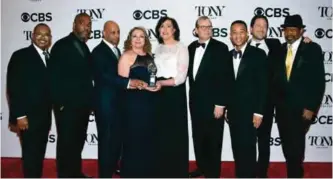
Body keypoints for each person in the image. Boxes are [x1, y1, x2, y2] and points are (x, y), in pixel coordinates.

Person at [274, 14, 325, 178]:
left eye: (293, 30)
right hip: (281, 110)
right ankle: (295, 172)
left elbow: (318, 82)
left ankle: (295, 175)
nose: (289, 33)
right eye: (287, 29)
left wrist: (311, 108)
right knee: (288, 148)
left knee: (296, 149)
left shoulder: (312, 49)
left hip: (301, 110)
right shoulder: (279, 49)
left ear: (301, 31)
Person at [48, 13, 93, 177]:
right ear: (74, 25)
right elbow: (53, 77)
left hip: (82, 107)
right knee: (66, 144)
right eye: (83, 24)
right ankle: (65, 175)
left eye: (89, 25)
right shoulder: (61, 46)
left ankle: (75, 173)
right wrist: (60, 104)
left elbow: (87, 79)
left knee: (77, 143)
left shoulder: (85, 47)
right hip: (66, 107)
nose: (86, 28)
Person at [188, 16, 231, 178]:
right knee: (198, 137)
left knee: (213, 139)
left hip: (214, 104)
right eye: (203, 26)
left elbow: (225, 78)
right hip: (195, 103)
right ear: (196, 29)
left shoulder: (221, 48)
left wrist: (221, 103)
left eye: (209, 26)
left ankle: (213, 173)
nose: (206, 29)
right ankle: (202, 167)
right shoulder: (191, 47)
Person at [6, 23, 52, 177]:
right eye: (39, 34)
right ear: (33, 36)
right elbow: (14, 87)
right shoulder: (21, 56)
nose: (43, 38)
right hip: (27, 118)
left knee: (38, 155)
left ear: (50, 38)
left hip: (44, 118)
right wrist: (20, 115)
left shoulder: (49, 57)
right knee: (31, 157)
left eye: (46, 35)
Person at [117, 26, 161, 178]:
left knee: (147, 140)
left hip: (150, 103)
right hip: (134, 105)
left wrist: (154, 87)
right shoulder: (126, 56)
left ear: (145, 39)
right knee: (134, 140)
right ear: (130, 39)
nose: (137, 39)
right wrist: (140, 85)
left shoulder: (149, 55)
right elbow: (121, 82)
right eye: (134, 36)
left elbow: (152, 78)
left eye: (141, 36)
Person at [227, 20, 267, 178]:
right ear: (230, 35)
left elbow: (263, 85)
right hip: (234, 113)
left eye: (241, 31)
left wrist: (259, 112)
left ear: (247, 34)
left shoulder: (258, 54)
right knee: (237, 148)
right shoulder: (228, 55)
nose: (237, 35)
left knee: (249, 149)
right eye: (234, 32)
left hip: (251, 112)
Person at [153, 16, 189, 178]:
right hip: (157, 94)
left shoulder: (181, 47)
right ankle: (161, 171)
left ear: (174, 30)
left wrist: (162, 84)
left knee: (175, 134)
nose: (165, 29)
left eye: (169, 26)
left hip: (174, 94)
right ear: (158, 30)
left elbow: (181, 77)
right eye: (162, 26)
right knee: (160, 133)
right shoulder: (156, 48)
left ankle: (177, 172)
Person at [91, 20, 129, 178]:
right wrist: (128, 83)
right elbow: (104, 76)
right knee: (106, 141)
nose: (116, 35)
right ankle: (104, 174)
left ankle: (113, 166)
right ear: (104, 33)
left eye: (118, 32)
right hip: (105, 104)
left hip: (117, 104)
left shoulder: (117, 51)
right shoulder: (98, 52)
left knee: (116, 139)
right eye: (113, 32)